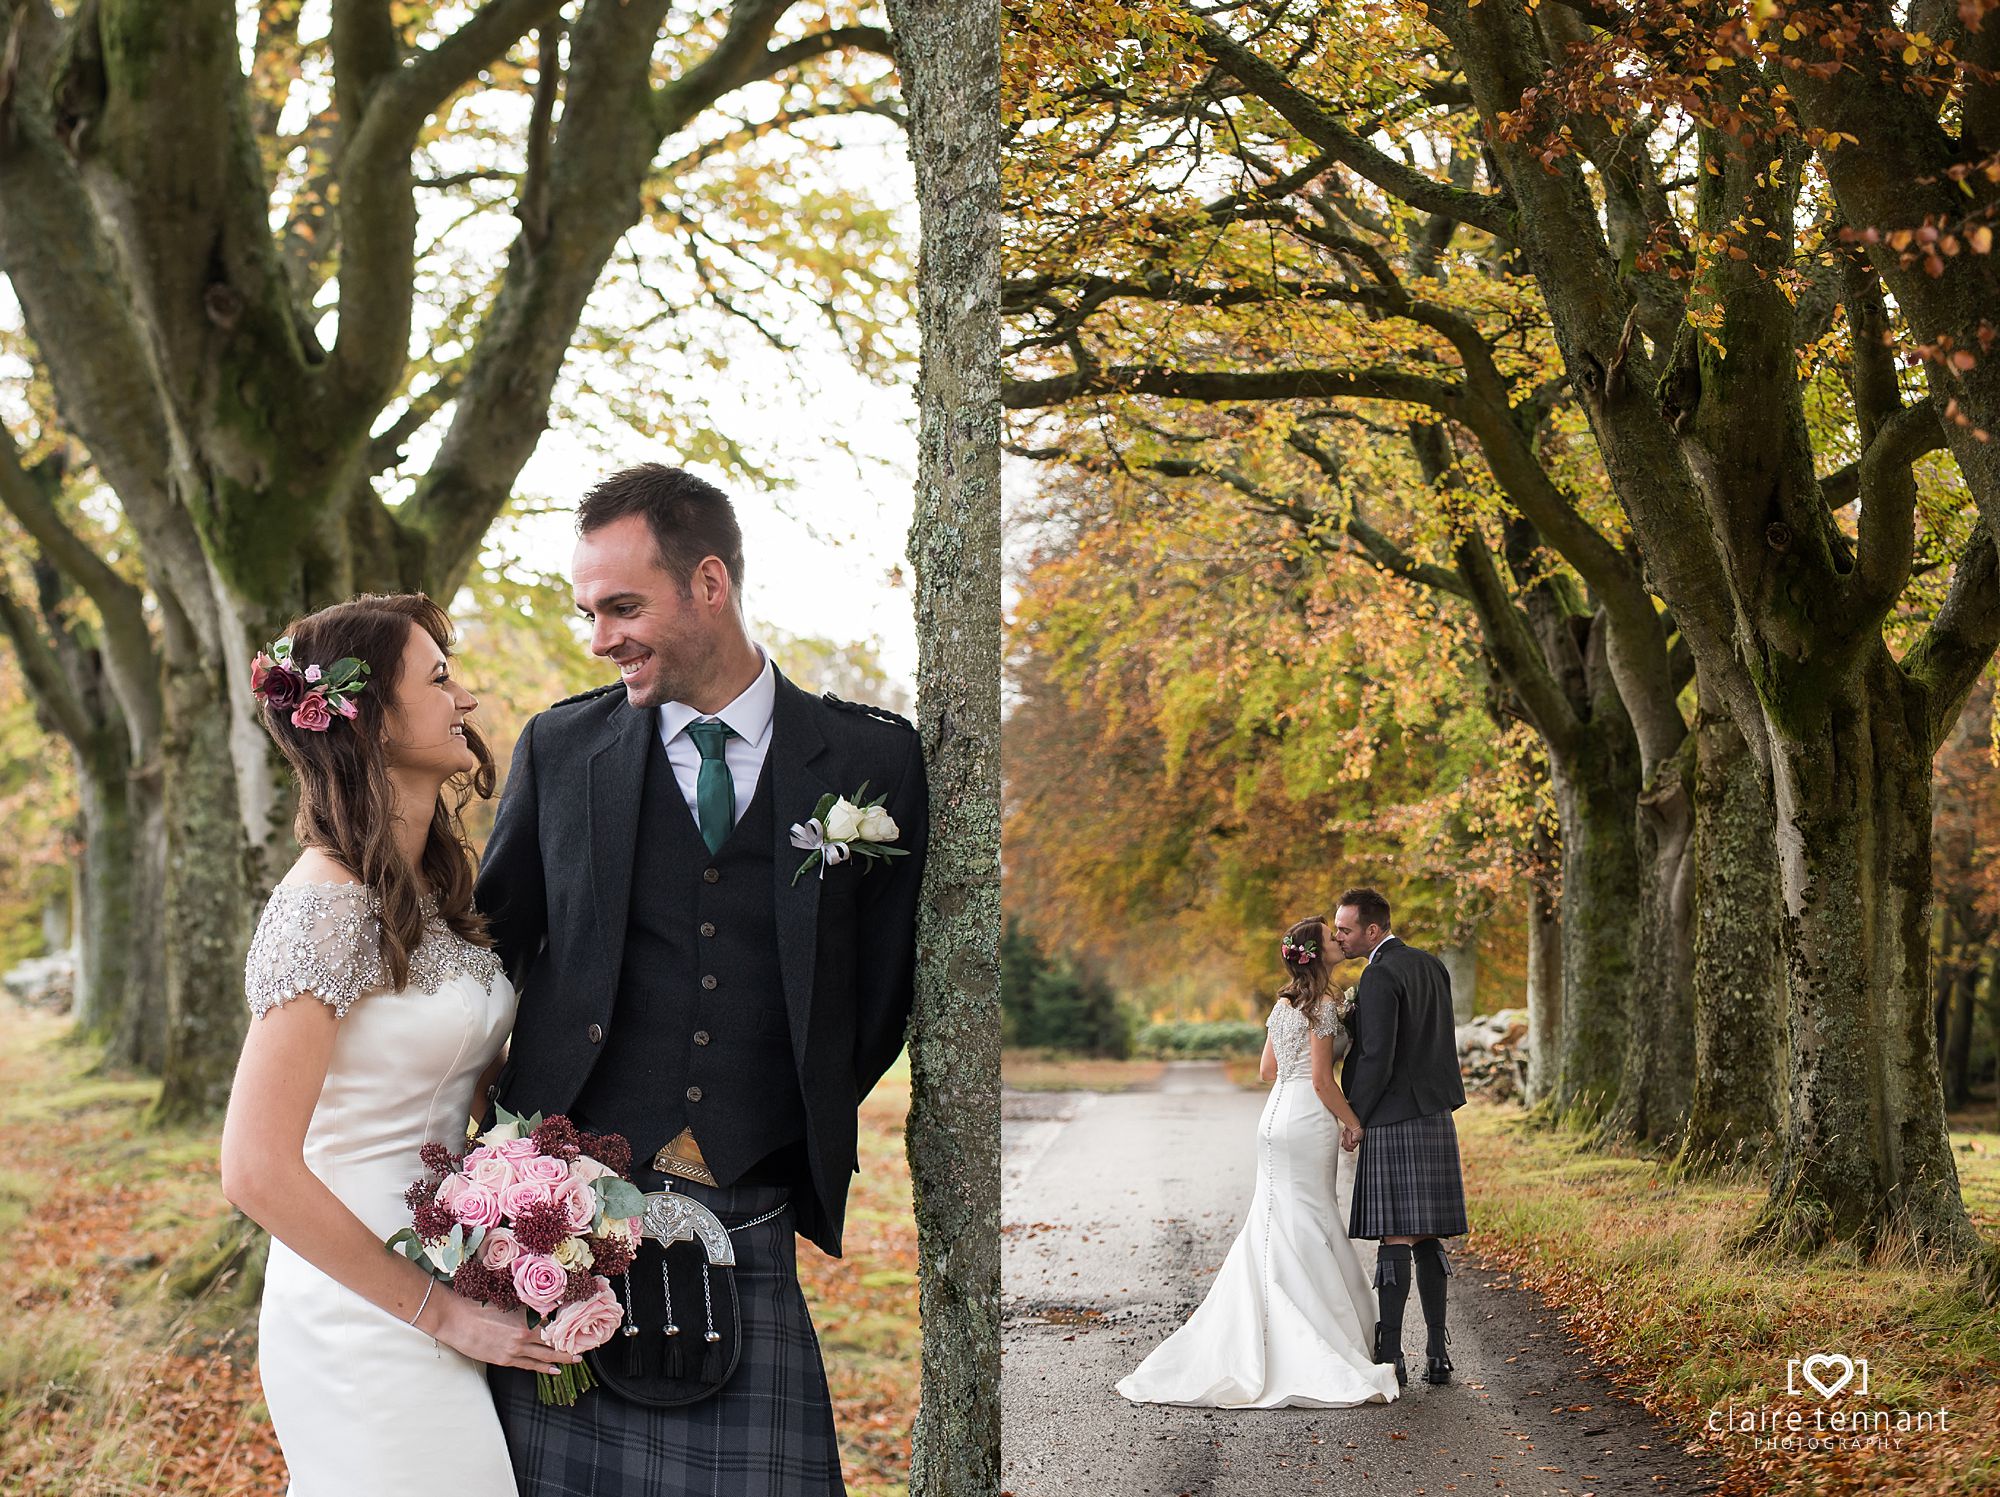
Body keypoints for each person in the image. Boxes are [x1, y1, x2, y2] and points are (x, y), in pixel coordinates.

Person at [473, 464, 928, 1497]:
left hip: (752, 1206)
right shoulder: (561, 746)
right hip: (572, 1222)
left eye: (623, 607)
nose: (599, 638)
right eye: (588, 612)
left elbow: (882, 987)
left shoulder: (870, 760)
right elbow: (495, 952)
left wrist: (775, 1108)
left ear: (709, 582)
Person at [219, 594, 572, 1496]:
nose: (467, 701)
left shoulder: (426, 888)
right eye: (440, 678)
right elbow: (254, 1166)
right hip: (362, 1310)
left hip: (447, 1270)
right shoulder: (324, 906)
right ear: (371, 718)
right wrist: (439, 1313)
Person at [1115, 915, 1399, 1409]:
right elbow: (1320, 1081)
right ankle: (1310, 1330)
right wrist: (1353, 1122)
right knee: (1310, 1214)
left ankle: (1260, 1325)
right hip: (1308, 1119)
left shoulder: (1283, 1003)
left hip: (1272, 1121)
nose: (1339, 941)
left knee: (1274, 1220)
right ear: (1318, 952)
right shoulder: (1325, 1007)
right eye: (1332, 939)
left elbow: (1267, 1069)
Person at [1331, 887, 1469, 1387]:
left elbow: (1377, 1057)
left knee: (1395, 1234)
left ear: (1372, 930)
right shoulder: (1431, 965)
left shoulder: (1379, 974)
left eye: (1345, 929)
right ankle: (1437, 1351)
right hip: (1435, 1113)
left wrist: (1354, 1115)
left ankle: (1391, 1355)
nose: (1339, 936)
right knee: (1428, 1231)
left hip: (1393, 1116)